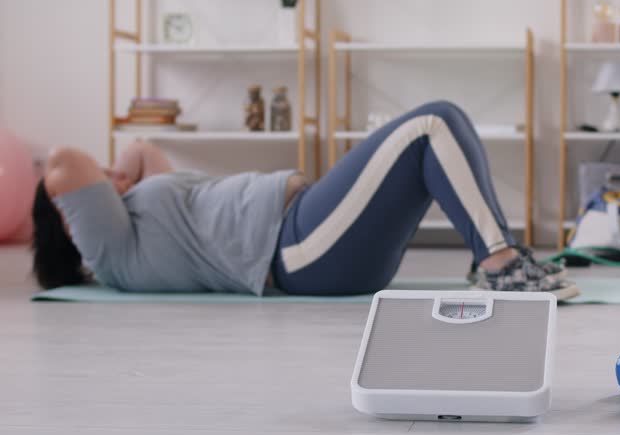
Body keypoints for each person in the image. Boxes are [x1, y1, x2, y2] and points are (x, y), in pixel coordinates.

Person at [31, 101, 578, 299]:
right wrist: (110, 180)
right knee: (431, 123)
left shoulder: (142, 215)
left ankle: (498, 258)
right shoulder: (111, 253)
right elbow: (62, 161)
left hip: (310, 229)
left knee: (447, 120)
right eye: (100, 180)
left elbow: (142, 148)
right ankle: (500, 265)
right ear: (69, 212)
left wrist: (122, 177)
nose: (110, 174)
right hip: (299, 251)